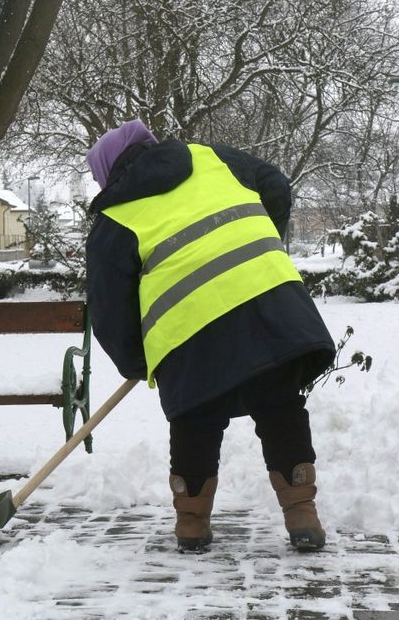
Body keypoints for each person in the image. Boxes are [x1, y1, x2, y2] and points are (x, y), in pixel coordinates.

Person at [85, 119, 335, 553]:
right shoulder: (213, 158)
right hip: (266, 301)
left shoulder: (115, 217)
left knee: (195, 418)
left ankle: (192, 524)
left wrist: (137, 361)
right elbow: (274, 184)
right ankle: (302, 514)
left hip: (190, 329)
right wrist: (255, 240)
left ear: (109, 172)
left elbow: (109, 310)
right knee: (279, 405)